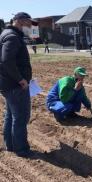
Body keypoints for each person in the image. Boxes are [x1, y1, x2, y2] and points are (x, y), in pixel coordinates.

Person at [0, 12, 38, 157]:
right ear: (21, 21)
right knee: (21, 116)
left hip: (7, 84)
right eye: (29, 23)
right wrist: (20, 79)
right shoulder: (12, 37)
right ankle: (21, 150)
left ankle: (10, 145)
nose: (30, 26)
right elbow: (6, 61)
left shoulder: (6, 33)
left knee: (11, 115)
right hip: (15, 85)